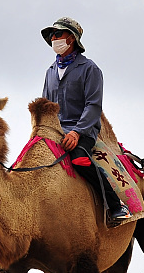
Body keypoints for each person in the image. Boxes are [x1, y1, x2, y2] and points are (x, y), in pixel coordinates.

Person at [40, 17, 130, 224]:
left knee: (80, 159)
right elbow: (46, 105)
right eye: (52, 35)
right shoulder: (50, 72)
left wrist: (77, 132)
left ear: (71, 38)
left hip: (83, 131)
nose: (53, 39)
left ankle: (116, 206)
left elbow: (93, 105)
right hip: (54, 130)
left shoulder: (90, 69)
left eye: (57, 34)